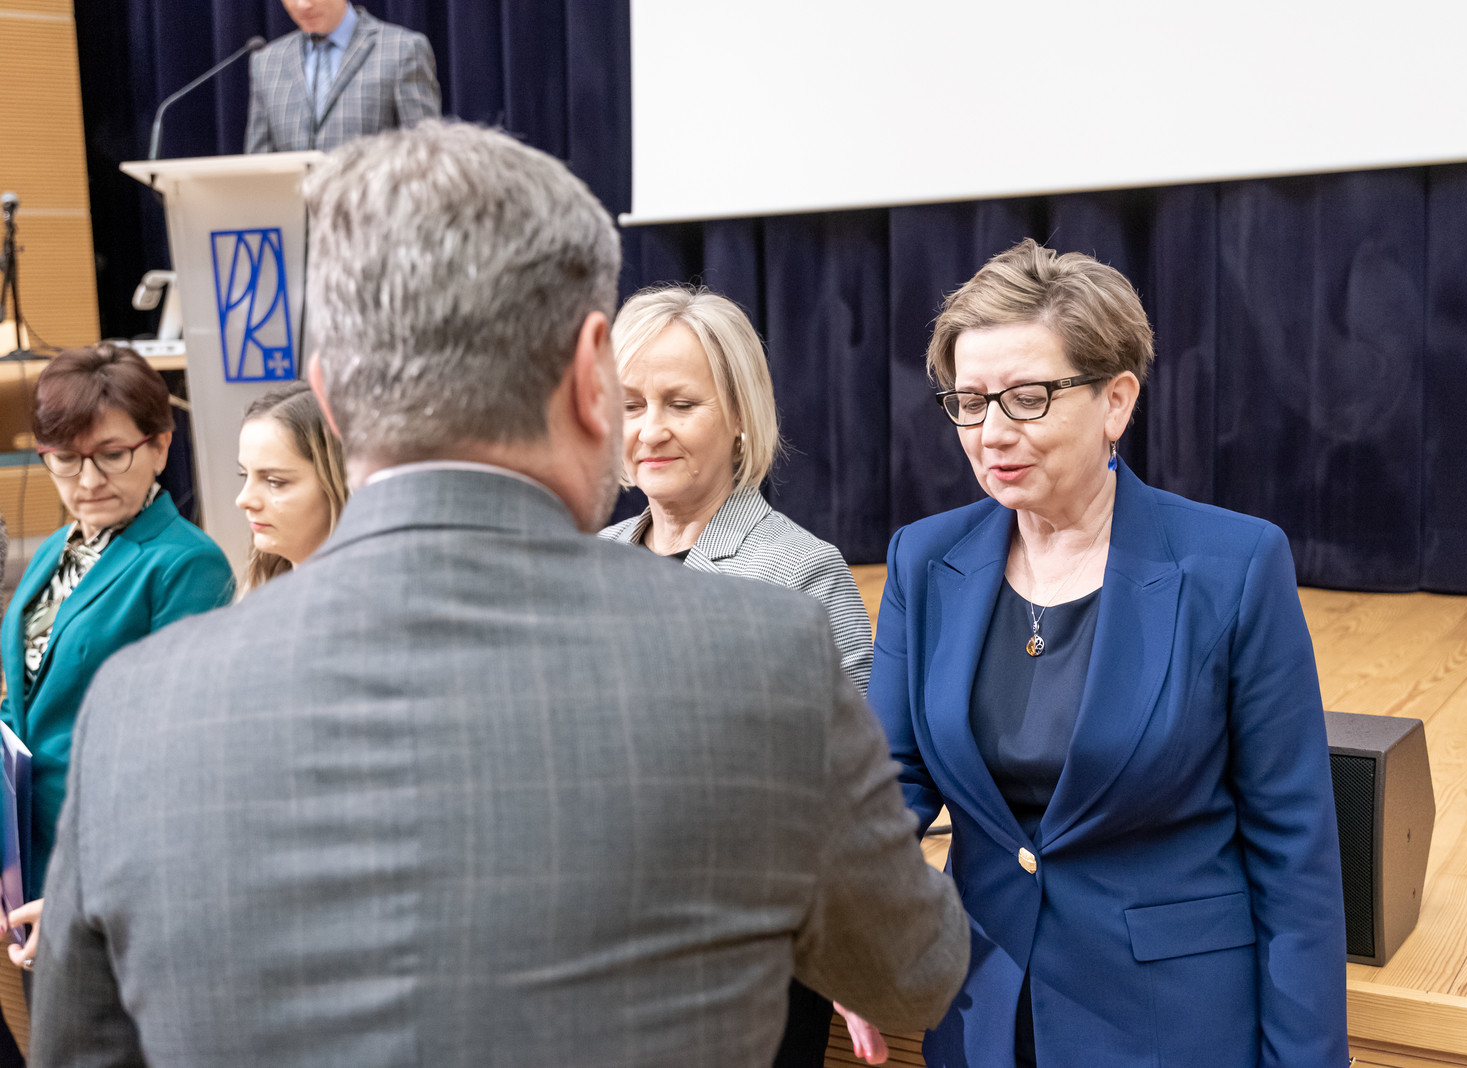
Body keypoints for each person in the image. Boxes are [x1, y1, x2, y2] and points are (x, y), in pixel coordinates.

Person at [29, 121, 968, 1067]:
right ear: (593, 375)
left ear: (329, 395)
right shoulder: (765, 662)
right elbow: (914, 972)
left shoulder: (134, 709)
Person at [869, 240, 1348, 1066]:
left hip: (1168, 1026)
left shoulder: (1233, 566)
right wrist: (843, 928)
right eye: (970, 402)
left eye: (1027, 399)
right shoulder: (924, 557)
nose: (992, 433)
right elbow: (887, 783)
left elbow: (1294, 849)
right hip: (982, 1015)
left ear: (1115, 402)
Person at [598, 286, 876, 1065]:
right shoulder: (585, 562)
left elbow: (849, 792)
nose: (650, 428)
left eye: (681, 403)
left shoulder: (801, 571)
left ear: (741, 415)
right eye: (630, 405)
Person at [0, 343, 233, 956]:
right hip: (34, 855)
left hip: (114, 870)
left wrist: (82, 890)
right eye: (65, 458)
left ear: (160, 446)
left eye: (111, 455)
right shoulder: (56, 550)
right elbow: (26, 703)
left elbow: (176, 754)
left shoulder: (186, 563)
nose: (88, 481)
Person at [245, 0, 441, 154]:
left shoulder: (402, 49)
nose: (302, 5)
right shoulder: (267, 62)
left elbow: (425, 155)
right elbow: (258, 167)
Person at [235, 381, 349, 594]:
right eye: (244, 475)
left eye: (275, 482)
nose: (243, 499)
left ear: (339, 484)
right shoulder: (262, 593)